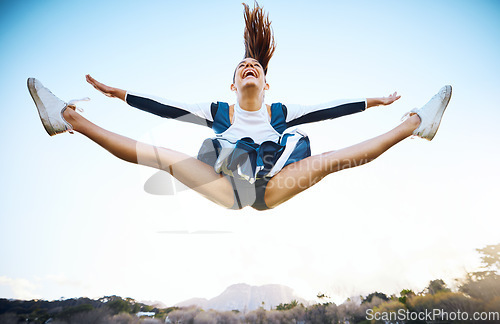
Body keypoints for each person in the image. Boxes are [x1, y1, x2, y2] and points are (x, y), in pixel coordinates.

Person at [27, 3, 451, 211]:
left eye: (256, 67)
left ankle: (416, 123)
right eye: (242, 67)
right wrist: (119, 94)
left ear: (266, 82)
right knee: (160, 156)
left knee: (329, 158)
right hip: (226, 184)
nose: (250, 67)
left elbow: (330, 109)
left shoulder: (283, 112)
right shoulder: (217, 112)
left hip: (274, 183)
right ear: (233, 84)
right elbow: (162, 106)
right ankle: (67, 118)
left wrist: (374, 101)